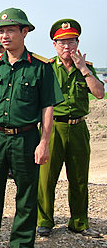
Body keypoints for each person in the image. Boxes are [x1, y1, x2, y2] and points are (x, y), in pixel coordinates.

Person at [0, 8, 64, 248]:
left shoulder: (41, 67)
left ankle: (21, 244)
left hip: (26, 138)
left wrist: (44, 142)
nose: (4, 36)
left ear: (25, 32)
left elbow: (48, 107)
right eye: (1, 31)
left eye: (10, 30)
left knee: (26, 196)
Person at [37, 19, 105, 238]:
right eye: (62, 42)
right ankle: (44, 221)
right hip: (52, 127)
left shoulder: (88, 69)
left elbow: (99, 93)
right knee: (46, 178)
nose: (68, 47)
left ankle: (79, 222)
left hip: (78, 128)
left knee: (79, 178)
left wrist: (83, 69)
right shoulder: (46, 69)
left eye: (72, 41)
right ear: (55, 45)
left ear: (78, 43)